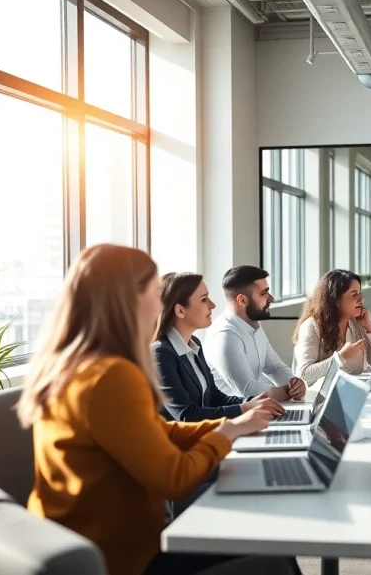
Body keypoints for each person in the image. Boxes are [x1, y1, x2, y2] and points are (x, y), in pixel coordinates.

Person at [16, 244, 300, 575]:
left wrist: (237, 424)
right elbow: (175, 479)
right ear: (129, 299)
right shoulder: (112, 376)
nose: (160, 301)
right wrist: (226, 431)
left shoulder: (75, 364)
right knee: (274, 557)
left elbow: (154, 430)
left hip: (83, 542)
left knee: (263, 535)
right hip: (125, 558)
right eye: (154, 290)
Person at [153, 272, 287, 423]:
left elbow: (215, 398)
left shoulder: (194, 343)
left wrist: (254, 402)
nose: (212, 305)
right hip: (179, 444)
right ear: (180, 311)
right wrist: (245, 408)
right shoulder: (160, 354)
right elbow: (186, 415)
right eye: (204, 299)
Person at [203, 265, 306, 400]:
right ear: (242, 300)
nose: (271, 298)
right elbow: (249, 390)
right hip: (234, 416)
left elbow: (275, 367)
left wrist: (295, 384)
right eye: (264, 293)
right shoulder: (225, 335)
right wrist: (289, 391)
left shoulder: (252, 324)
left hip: (255, 410)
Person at [292, 269, 371, 385]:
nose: (361, 299)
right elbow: (303, 374)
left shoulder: (357, 323)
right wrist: (340, 357)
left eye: (360, 293)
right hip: (318, 398)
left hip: (350, 392)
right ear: (335, 299)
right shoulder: (311, 326)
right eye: (354, 295)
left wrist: (370, 328)